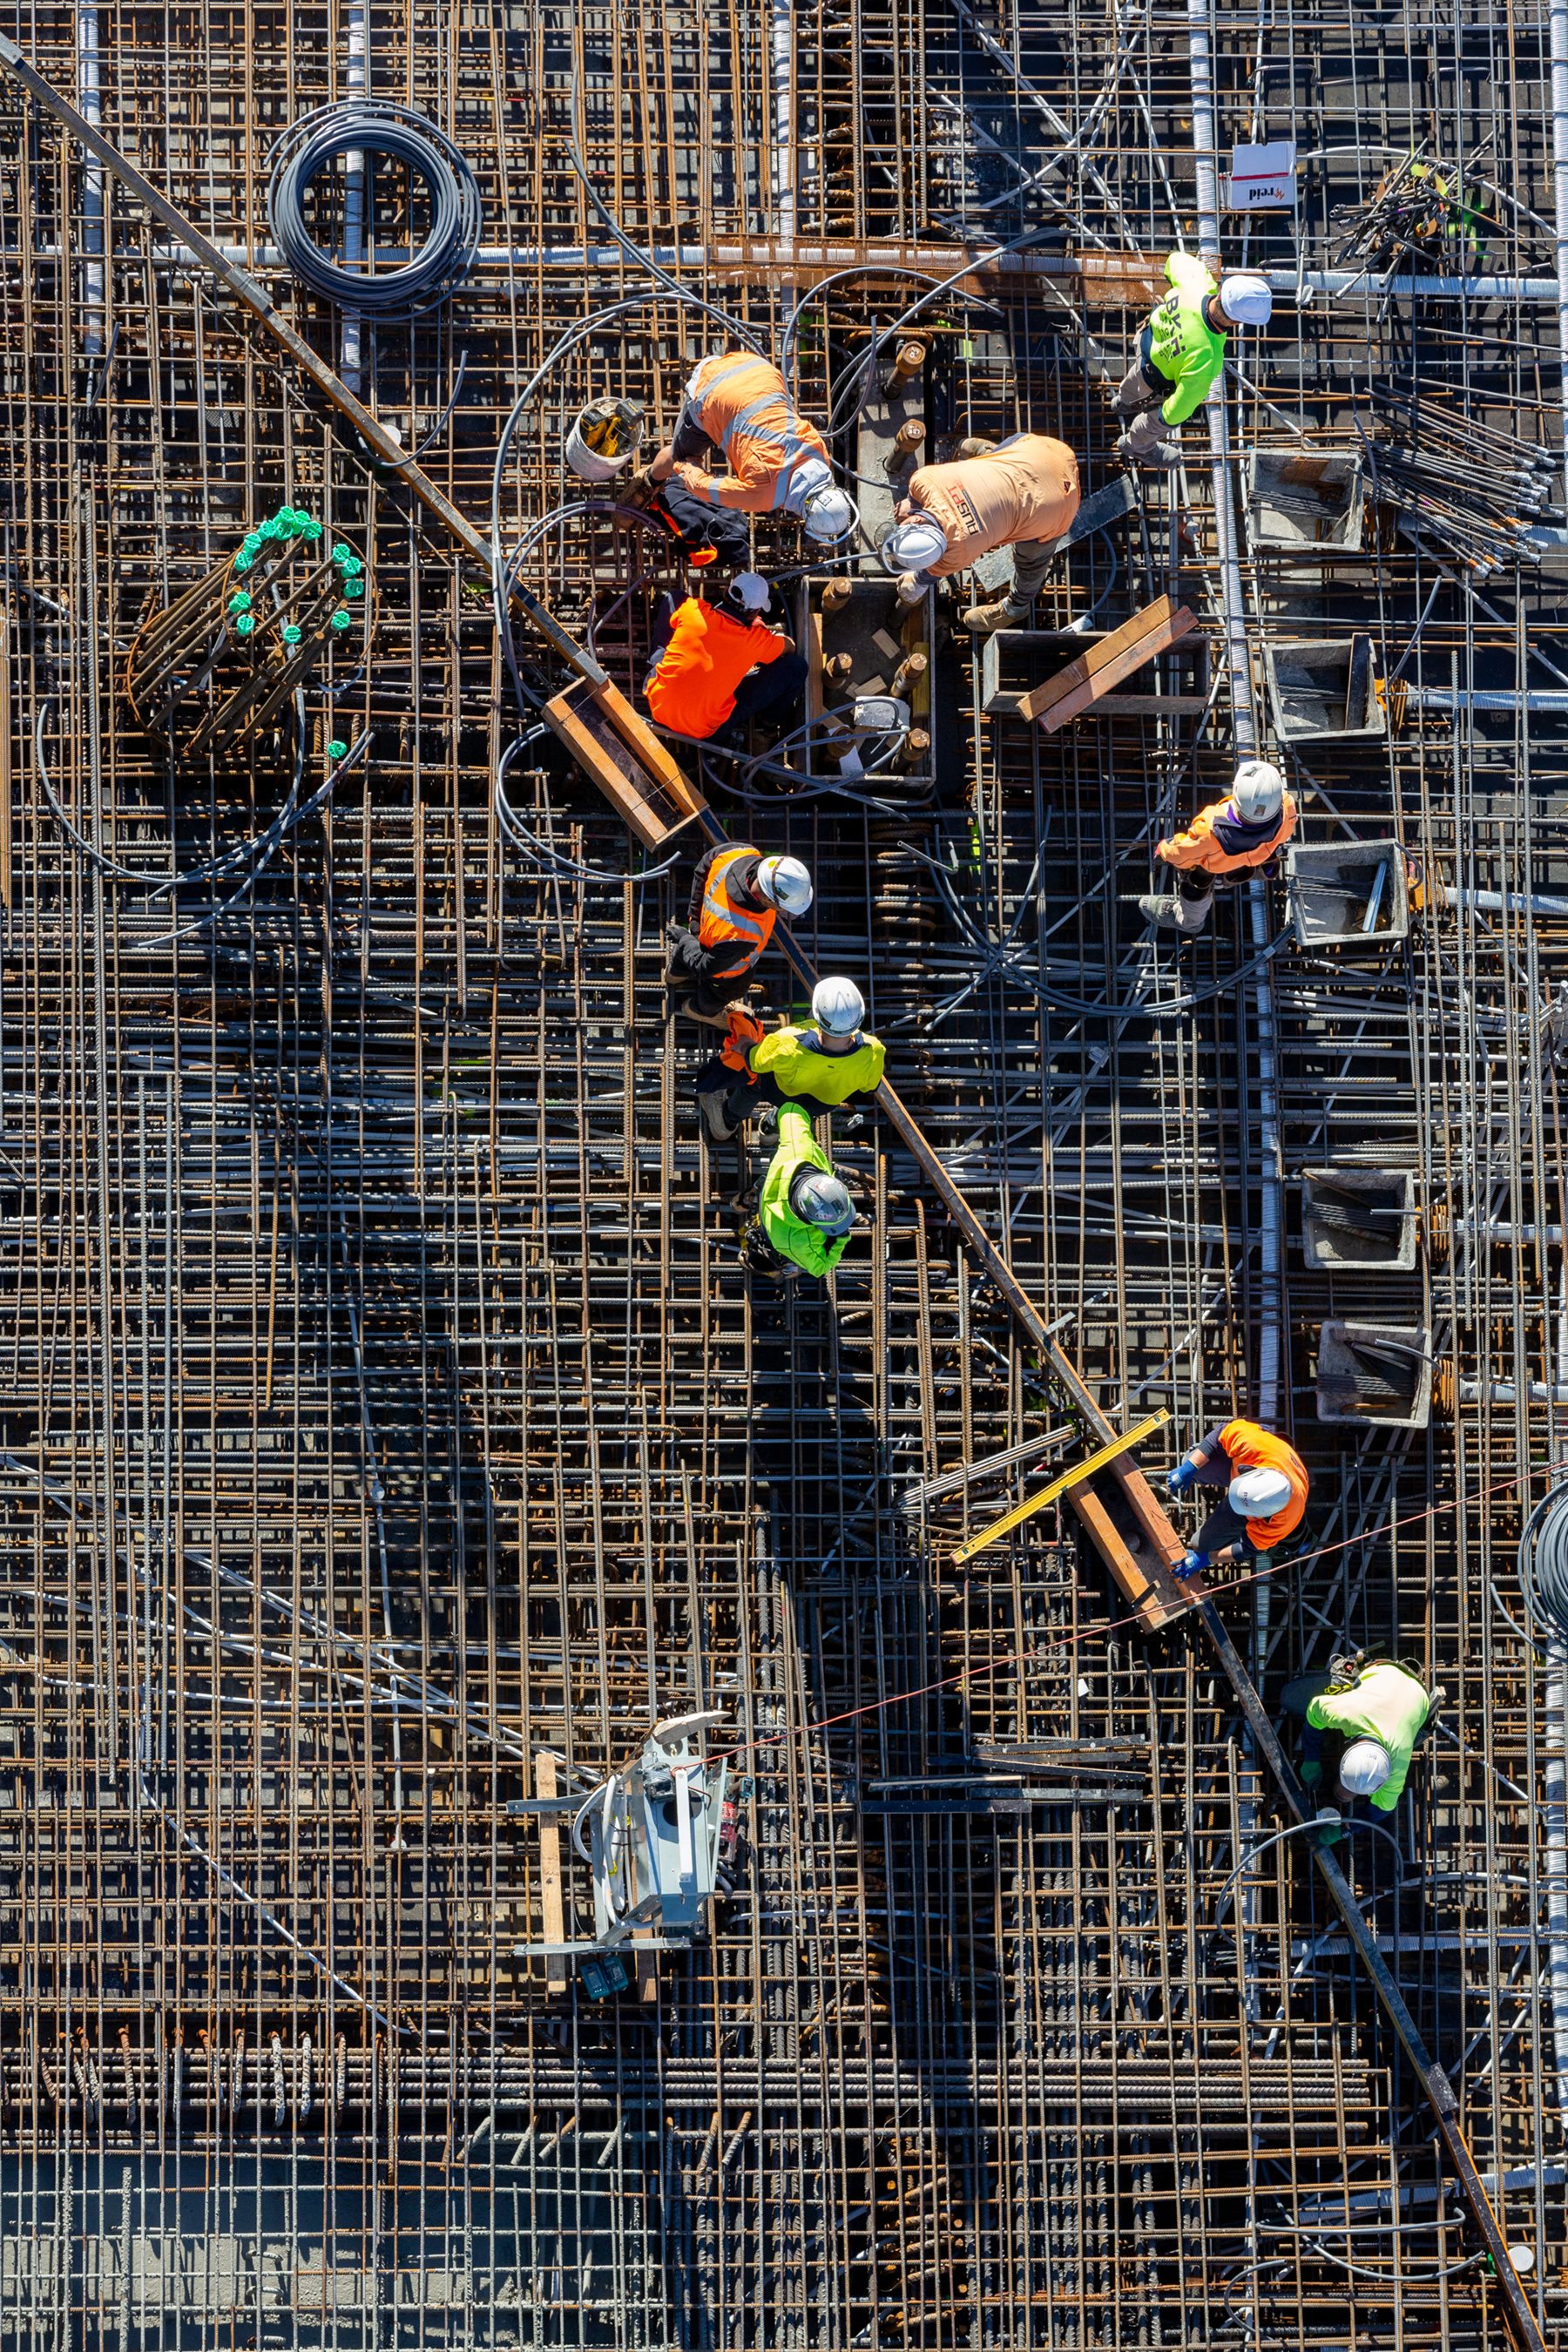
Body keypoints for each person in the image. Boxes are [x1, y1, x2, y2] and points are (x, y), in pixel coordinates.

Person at [632, 352, 856, 542]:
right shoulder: (764, 497)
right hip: (712, 388)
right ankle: (648, 482)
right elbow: (702, 487)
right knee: (678, 455)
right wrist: (686, 467)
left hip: (757, 369)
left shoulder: (821, 456)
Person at [880, 433, 1082, 632]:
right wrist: (912, 504)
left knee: (1031, 563)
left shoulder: (958, 551)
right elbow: (915, 502)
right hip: (1041, 451)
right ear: (915, 520)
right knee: (989, 460)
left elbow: (924, 578)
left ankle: (1015, 608)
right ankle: (971, 447)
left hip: (1056, 504)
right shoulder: (924, 479)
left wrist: (914, 585)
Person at [1114, 255, 1274, 467]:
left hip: (1145, 344)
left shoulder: (1197, 281)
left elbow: (1174, 261)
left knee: (1133, 384)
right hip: (1155, 379)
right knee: (1153, 423)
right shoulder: (1207, 360)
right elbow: (1175, 411)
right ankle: (1135, 445)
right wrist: (1159, 419)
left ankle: (1122, 403)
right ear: (1237, 321)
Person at [694, 976, 885, 1142]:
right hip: (821, 1104)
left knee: (755, 1083)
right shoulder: (874, 1050)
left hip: (778, 1091)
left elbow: (755, 1061)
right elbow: (869, 1086)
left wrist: (744, 1043)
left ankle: (727, 1122)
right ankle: (771, 1131)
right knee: (801, 1109)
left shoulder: (788, 1041)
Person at [644, 572, 808, 749]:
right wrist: (762, 633)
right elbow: (790, 647)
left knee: (674, 597)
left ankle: (656, 661)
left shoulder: (693, 610)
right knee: (797, 667)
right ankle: (769, 724)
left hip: (658, 706)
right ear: (755, 612)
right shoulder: (756, 641)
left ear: (726, 594)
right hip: (704, 733)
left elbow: (677, 605)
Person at [1139, 760, 1297, 935]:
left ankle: (1189, 922)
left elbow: (1182, 854)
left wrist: (1164, 849)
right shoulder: (1287, 806)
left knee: (1197, 883)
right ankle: (1262, 871)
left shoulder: (1210, 832)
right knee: (1266, 859)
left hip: (1219, 867)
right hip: (1255, 859)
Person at [665, 841, 813, 1022]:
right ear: (767, 898)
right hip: (723, 969)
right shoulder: (743, 933)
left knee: (684, 952)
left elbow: (703, 868)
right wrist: (688, 938)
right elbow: (706, 967)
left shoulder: (739, 852)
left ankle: (674, 975)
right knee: (728, 989)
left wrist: (694, 925)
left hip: (705, 933)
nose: (783, 912)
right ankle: (699, 1010)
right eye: (782, 907)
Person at [1281, 1652, 1436, 1815]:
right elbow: (1314, 1710)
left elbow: (1384, 1808)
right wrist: (1311, 1756)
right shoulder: (1349, 1712)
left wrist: (1345, 1830)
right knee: (1289, 1698)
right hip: (1385, 1672)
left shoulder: (1399, 1761)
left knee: (1416, 1734)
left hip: (1415, 1693)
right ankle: (1344, 1681)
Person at [1166, 1415, 1308, 1574]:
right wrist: (1189, 1468)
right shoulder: (1253, 1445)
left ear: (1267, 1515)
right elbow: (1219, 1435)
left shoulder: (1284, 1520)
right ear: (1248, 1471)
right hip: (1255, 1461)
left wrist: (1206, 1559)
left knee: (1201, 1546)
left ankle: (1233, 1533)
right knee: (1190, 1460)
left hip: (1265, 1496)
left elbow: (1247, 1548)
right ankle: (1194, 1468)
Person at [753, 1100, 856, 1281]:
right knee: (792, 1268)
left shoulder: (798, 1149)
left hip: (772, 1189)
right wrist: (840, 1237)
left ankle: (766, 1130)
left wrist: (774, 1121)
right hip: (771, 1233)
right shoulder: (799, 1243)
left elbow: (790, 1109)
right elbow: (821, 1267)